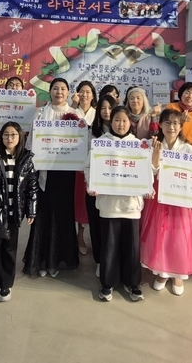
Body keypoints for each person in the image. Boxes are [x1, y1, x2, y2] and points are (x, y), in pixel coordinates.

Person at [140, 109, 192, 296]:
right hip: (159, 197)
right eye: (167, 122)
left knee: (179, 235)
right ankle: (163, 272)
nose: (171, 127)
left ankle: (178, 273)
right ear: (160, 124)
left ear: (181, 126)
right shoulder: (151, 144)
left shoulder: (188, 149)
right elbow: (150, 172)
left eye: (176, 123)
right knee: (160, 234)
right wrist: (155, 154)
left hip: (181, 198)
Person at [86, 106, 147, 302]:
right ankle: (107, 283)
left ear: (130, 123)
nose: (121, 124)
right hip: (109, 205)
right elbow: (88, 167)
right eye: (117, 120)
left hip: (131, 205)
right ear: (110, 122)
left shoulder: (139, 145)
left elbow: (147, 171)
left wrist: (148, 186)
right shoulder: (101, 144)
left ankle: (133, 283)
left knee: (132, 246)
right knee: (109, 246)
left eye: (124, 120)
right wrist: (91, 184)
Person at [23, 78, 81, 277]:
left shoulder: (76, 114)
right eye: (55, 88)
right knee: (43, 214)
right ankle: (40, 260)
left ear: (68, 92)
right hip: (44, 171)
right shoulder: (40, 113)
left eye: (63, 89)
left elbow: (81, 143)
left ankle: (57, 260)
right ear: (50, 91)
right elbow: (31, 142)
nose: (59, 92)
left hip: (65, 172)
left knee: (62, 214)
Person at [0, 122, 37, 302]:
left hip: (15, 211)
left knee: (10, 249)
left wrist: (31, 210)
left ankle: (6, 284)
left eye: (13, 135)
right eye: (5, 135)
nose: (9, 138)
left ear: (20, 137)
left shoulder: (26, 158)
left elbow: (32, 186)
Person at [84, 94, 117, 275]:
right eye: (103, 108)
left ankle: (112, 260)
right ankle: (99, 259)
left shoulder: (124, 131)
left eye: (110, 108)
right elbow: (87, 159)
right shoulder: (92, 131)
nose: (106, 111)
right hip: (95, 185)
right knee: (96, 224)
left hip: (116, 186)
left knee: (112, 225)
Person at [72, 81, 97, 255]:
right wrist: (73, 106)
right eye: (82, 91)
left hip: (92, 163)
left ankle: (83, 235)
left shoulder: (97, 113)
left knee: (86, 202)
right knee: (75, 200)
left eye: (88, 92)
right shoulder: (72, 111)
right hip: (73, 162)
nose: (85, 95)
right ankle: (74, 236)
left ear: (93, 95)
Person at [166, 82, 192, 152]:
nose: (190, 96)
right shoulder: (171, 107)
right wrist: (181, 121)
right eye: (187, 93)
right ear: (181, 94)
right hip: (174, 149)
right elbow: (167, 128)